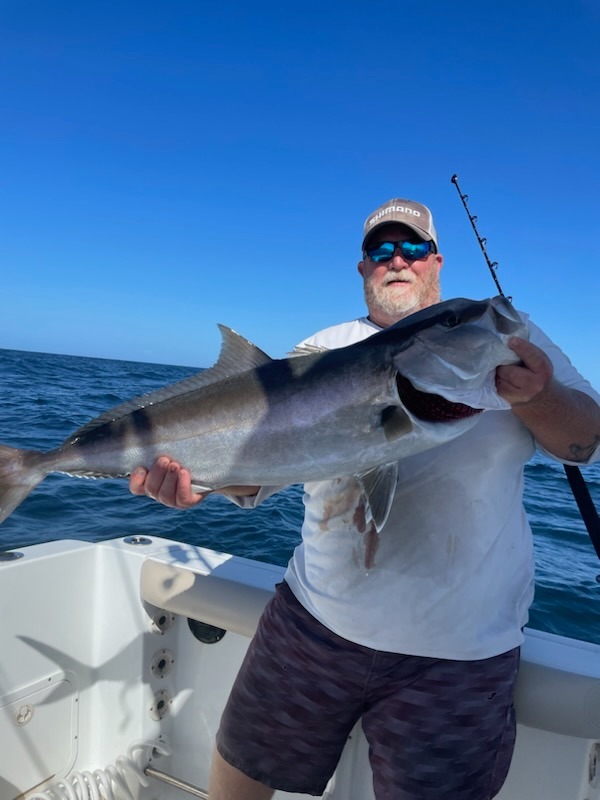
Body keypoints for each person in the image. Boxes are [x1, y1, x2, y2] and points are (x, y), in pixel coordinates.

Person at [130, 198, 600, 800]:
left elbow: (587, 442)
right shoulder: (323, 348)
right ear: (363, 268)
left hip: (461, 656)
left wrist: (538, 396)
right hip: (313, 626)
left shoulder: (507, 336)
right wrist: (194, 483)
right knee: (239, 776)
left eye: (413, 248)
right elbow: (258, 475)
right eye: (382, 250)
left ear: (437, 261)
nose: (397, 260)